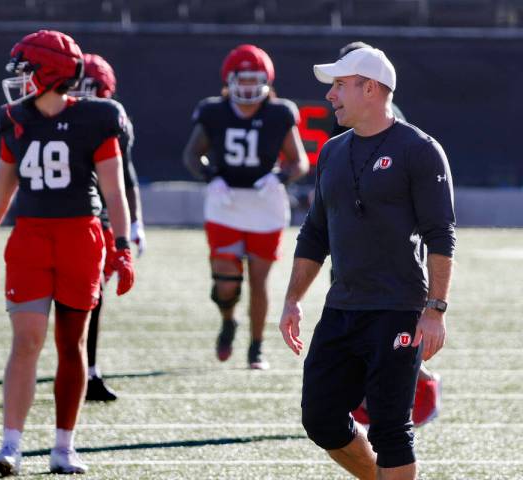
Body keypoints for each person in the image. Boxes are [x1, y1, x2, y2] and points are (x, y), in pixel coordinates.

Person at [0, 30, 135, 476]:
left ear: (50, 71)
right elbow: (0, 192)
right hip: (31, 239)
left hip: (81, 237)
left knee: (70, 344)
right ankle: (10, 445)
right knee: (26, 341)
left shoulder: (98, 116)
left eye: (25, 69)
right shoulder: (14, 118)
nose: (17, 79)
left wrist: (123, 246)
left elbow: (114, 189)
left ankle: (63, 446)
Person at [278, 47, 455, 479]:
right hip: (342, 309)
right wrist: (293, 300)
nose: (331, 96)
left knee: (391, 428)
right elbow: (315, 232)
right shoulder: (333, 152)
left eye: (340, 85)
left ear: (370, 89)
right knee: (319, 417)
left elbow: (440, 235)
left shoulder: (420, 150)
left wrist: (435, 309)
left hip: (398, 309)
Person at [332, 42, 443, 430]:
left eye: (342, 80)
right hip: (353, 251)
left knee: (384, 340)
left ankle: (417, 383)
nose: (333, 92)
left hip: (394, 257)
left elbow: (427, 215)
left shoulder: (398, 135)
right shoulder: (341, 134)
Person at [183, 44, 309, 369]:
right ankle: (228, 320)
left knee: (259, 280)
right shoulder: (213, 111)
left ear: (266, 80)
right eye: (244, 79)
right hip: (225, 202)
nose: (250, 87)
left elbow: (300, 162)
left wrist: (279, 178)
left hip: (265, 205)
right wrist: (211, 175)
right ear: (230, 79)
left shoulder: (280, 112)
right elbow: (191, 155)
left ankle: (256, 348)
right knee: (225, 282)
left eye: (255, 79)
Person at [69, 52, 145, 401]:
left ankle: (87, 369)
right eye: (80, 90)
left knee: (93, 294)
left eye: (93, 91)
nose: (85, 99)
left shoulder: (113, 121)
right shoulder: (51, 116)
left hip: (97, 216)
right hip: (59, 215)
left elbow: (124, 176)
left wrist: (135, 222)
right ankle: (78, 367)